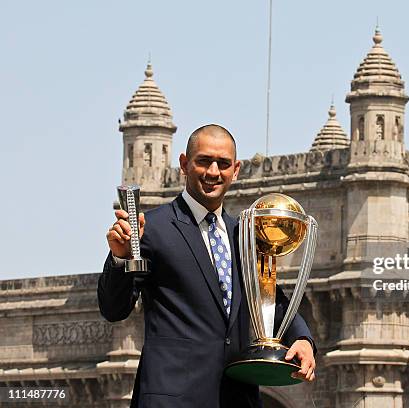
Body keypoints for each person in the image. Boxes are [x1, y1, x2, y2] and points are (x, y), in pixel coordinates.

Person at [98, 124, 316, 408]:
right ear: (184, 164)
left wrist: (302, 338)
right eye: (203, 161)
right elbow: (114, 309)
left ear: (235, 170)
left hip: (237, 399)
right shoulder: (153, 229)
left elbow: (273, 300)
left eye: (223, 164)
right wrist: (120, 258)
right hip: (173, 398)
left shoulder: (246, 235)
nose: (213, 172)